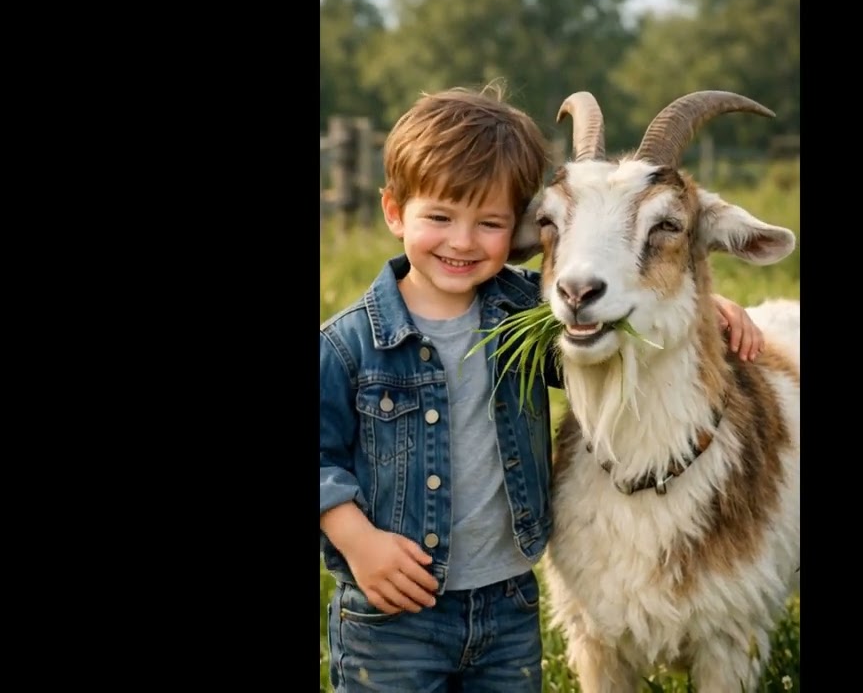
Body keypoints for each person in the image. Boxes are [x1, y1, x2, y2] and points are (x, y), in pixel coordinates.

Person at [319, 82, 764, 692]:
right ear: (394, 211)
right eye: (440, 217)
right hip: (392, 612)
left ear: (516, 234)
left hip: (505, 608)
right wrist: (356, 540)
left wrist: (705, 302)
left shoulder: (525, 314)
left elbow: (621, 310)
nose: (463, 240)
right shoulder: (348, 343)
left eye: (490, 223)